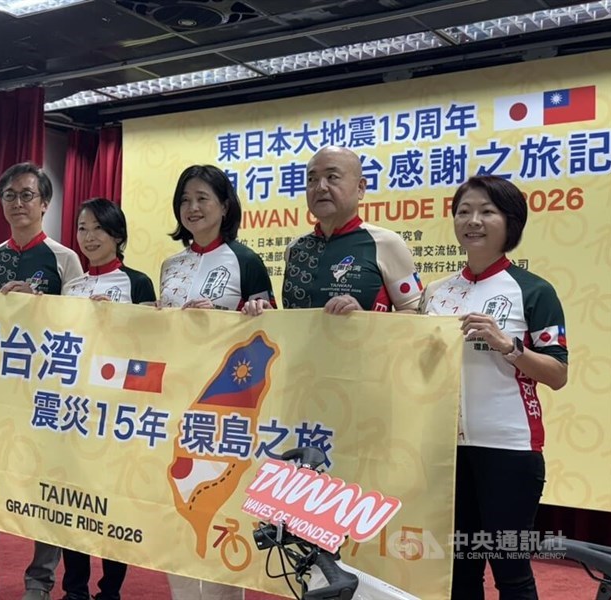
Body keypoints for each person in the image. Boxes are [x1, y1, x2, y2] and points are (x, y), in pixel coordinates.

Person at [419, 175, 568, 600]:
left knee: (510, 571)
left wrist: (510, 346)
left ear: (511, 221)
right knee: (459, 571)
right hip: (445, 450)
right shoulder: (437, 293)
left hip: (509, 448)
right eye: (464, 211)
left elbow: (558, 374)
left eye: (487, 211)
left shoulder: (534, 290)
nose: (473, 220)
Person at [0, 162, 83, 600]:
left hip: (46, 397)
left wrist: (42, 305)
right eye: (9, 195)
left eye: (27, 195)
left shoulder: (65, 260)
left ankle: (39, 582)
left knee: (46, 489)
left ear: (45, 203)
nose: (18, 203)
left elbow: (83, 327)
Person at [160, 164, 274, 600]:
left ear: (224, 206)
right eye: (185, 199)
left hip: (227, 406)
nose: (193, 207)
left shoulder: (246, 261)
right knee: (178, 505)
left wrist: (232, 317)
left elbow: (270, 328)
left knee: (222, 501)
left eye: (203, 198)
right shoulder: (171, 264)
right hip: (175, 402)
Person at [60, 198, 156, 600]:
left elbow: (153, 345)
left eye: (99, 228)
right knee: (72, 503)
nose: (89, 236)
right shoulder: (71, 287)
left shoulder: (138, 283)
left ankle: (111, 589)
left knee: (114, 506)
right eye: (83, 228)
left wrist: (116, 324)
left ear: (118, 234)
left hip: (120, 415)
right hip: (74, 410)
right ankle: (75, 588)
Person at [242, 145, 421, 316]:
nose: (320, 187)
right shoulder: (295, 249)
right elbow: (294, 320)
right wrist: (265, 313)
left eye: (332, 177)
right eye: (311, 179)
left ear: (360, 188)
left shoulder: (386, 243)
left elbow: (417, 314)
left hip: (364, 348)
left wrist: (365, 319)